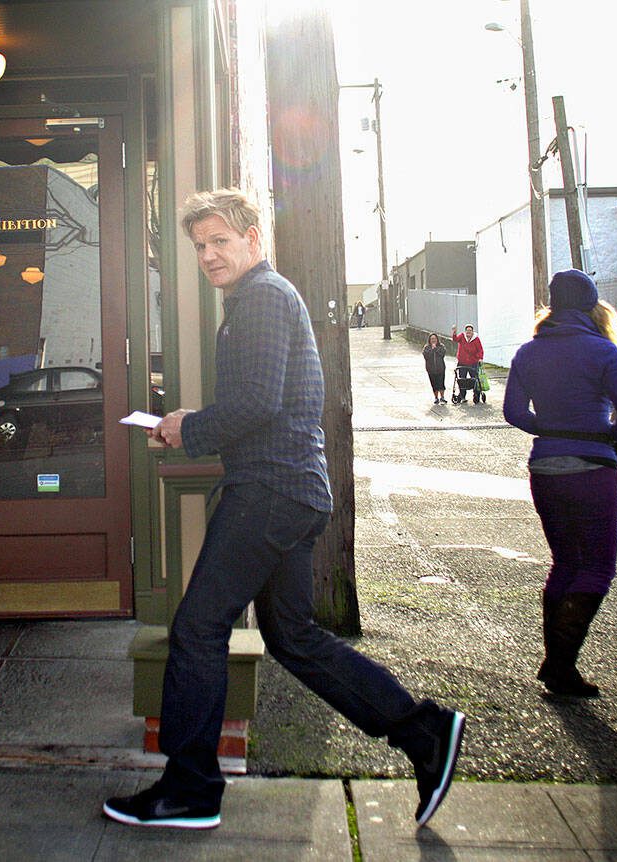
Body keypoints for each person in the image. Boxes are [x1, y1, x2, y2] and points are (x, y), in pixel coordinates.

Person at [103, 189, 464, 831]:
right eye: (199, 246)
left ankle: (189, 789)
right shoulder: (254, 299)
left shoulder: (263, 298)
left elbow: (258, 403)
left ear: (253, 240)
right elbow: (258, 403)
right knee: (294, 639)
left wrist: (189, 426)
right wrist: (193, 426)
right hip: (289, 491)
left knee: (197, 629)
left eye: (220, 241)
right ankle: (423, 731)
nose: (209, 255)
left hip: (270, 492)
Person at [503, 270, 617, 697]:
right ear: (590, 304)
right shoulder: (603, 350)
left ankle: (558, 664)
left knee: (564, 562)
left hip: (545, 468)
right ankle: (560, 665)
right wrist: (608, 435)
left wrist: (548, 426)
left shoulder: (528, 352)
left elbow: (513, 412)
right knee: (598, 567)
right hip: (592, 469)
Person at [451, 323, 484, 403]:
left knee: (475, 379)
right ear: (465, 331)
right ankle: (462, 396)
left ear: (473, 332)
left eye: (470, 330)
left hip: (473, 362)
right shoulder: (462, 336)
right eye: (467, 330)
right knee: (462, 379)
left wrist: (480, 358)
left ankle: (476, 395)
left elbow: (480, 349)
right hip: (462, 362)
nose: (468, 332)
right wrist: (454, 333)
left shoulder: (476, 339)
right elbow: (455, 339)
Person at [423, 332, 448, 404]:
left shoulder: (441, 346)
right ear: (429, 340)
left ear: (437, 339)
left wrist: (435, 349)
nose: (433, 340)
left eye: (434, 338)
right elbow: (426, 356)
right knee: (434, 384)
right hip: (431, 370)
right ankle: (436, 398)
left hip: (440, 368)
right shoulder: (426, 347)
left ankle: (442, 397)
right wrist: (432, 349)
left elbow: (442, 354)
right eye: (432, 339)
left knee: (441, 383)